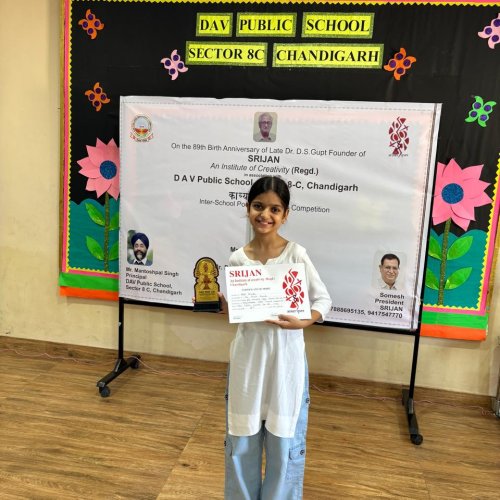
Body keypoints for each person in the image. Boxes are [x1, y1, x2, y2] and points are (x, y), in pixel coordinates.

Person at [223, 176, 332, 499]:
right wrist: (220, 306)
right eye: (258, 206)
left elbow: (323, 300)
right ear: (247, 208)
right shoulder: (238, 259)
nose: (265, 215)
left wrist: (304, 322)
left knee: (283, 443)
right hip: (248, 362)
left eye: (274, 209)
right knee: (242, 440)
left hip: (286, 363)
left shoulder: (296, 255)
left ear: (286, 215)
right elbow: (240, 311)